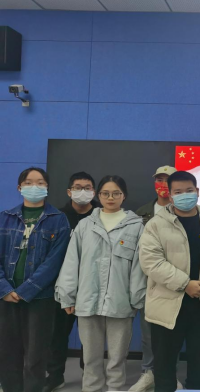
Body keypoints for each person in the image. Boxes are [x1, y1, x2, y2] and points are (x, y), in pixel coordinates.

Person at [139, 171, 200, 392]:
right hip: (167, 306)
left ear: (197, 191)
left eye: (189, 190)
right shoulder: (156, 224)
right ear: (170, 195)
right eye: (178, 192)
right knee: (164, 368)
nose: (184, 195)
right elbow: (151, 262)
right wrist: (186, 284)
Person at [55, 175, 146, 392]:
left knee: (118, 357)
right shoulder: (85, 225)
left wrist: (136, 299)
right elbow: (72, 262)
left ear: (124, 196)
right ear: (98, 195)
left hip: (121, 301)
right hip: (88, 299)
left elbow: (139, 267)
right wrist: (68, 294)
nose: (110, 197)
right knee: (90, 357)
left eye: (116, 193)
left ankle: (115, 388)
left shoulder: (136, 226)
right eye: (105, 193)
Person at [0, 168, 71, 392]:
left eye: (40, 182)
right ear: (19, 187)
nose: (34, 186)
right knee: (8, 354)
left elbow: (54, 262)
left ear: (47, 187)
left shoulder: (58, 219)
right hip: (6, 297)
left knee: (36, 356)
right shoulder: (5, 218)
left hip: (41, 298)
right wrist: (4, 289)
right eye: (29, 182)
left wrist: (26, 291)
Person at [44, 172, 100, 392]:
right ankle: (55, 376)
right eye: (78, 187)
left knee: (91, 337)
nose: (82, 191)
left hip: (93, 286)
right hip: (62, 286)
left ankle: (90, 377)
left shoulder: (101, 215)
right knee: (57, 335)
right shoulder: (57, 217)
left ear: (94, 192)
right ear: (69, 191)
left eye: (87, 187)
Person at [130, 165, 179, 392]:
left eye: (168, 180)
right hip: (147, 281)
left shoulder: (184, 211)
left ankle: (169, 374)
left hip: (176, 280)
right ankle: (148, 372)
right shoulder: (140, 213)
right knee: (148, 332)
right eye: (159, 179)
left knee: (173, 332)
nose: (163, 185)